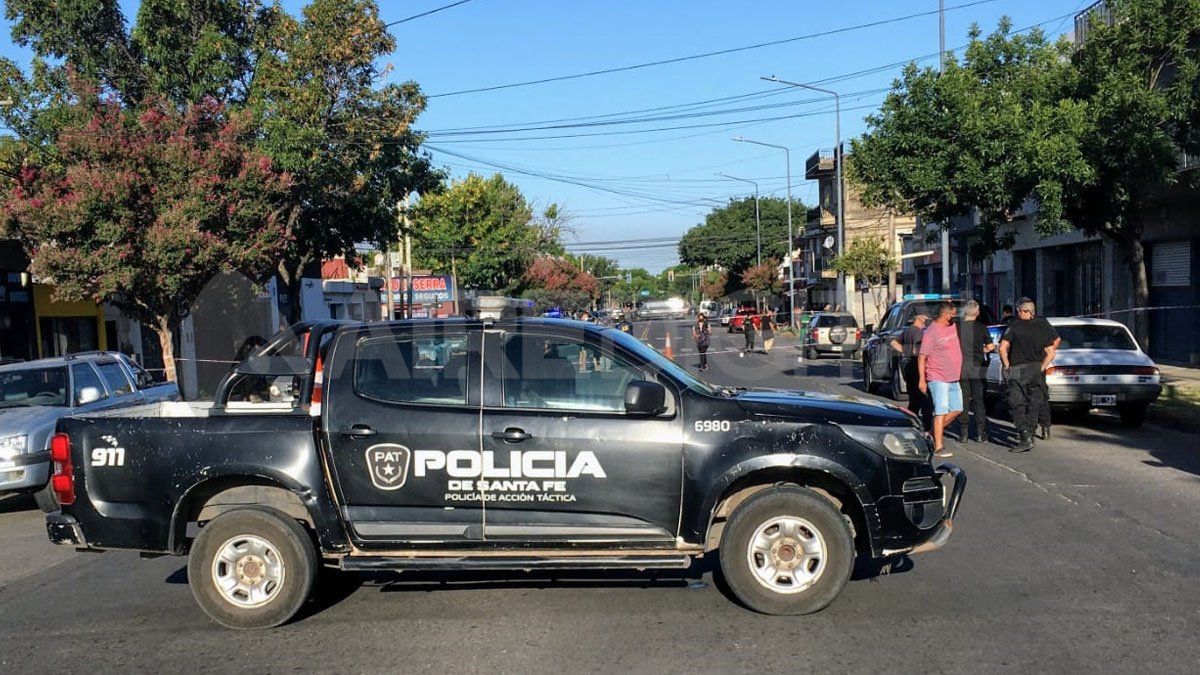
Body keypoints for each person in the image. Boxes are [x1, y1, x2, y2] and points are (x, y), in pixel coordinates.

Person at [999, 299, 1059, 452]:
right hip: (1035, 368)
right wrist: (1042, 367)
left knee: (1015, 403)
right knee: (1034, 402)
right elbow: (1051, 352)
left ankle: (1025, 435)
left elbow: (1002, 348)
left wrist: (1006, 365)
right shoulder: (1042, 326)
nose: (1017, 313)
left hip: (1018, 368)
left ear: (1025, 311)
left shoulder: (1014, 326)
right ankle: (1031, 432)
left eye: (1019, 310)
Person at [918, 302, 964, 458]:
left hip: (953, 377)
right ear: (946, 315)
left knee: (957, 409)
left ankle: (930, 434)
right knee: (941, 410)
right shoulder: (931, 332)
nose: (955, 316)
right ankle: (939, 446)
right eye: (952, 314)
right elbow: (922, 357)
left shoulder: (952, 326)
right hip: (937, 377)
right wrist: (922, 380)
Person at [955, 300, 995, 443]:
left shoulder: (956, 328)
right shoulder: (981, 327)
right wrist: (981, 350)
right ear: (977, 313)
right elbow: (990, 346)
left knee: (963, 400)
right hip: (978, 366)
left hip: (961, 366)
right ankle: (980, 433)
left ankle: (963, 433)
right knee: (978, 400)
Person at [890, 313, 931, 427]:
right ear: (919, 319)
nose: (927, 323)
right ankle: (926, 426)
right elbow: (917, 350)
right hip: (916, 366)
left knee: (913, 399)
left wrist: (903, 350)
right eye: (926, 320)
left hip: (907, 367)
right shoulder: (917, 332)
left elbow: (893, 342)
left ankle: (910, 422)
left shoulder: (907, 330)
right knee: (924, 399)